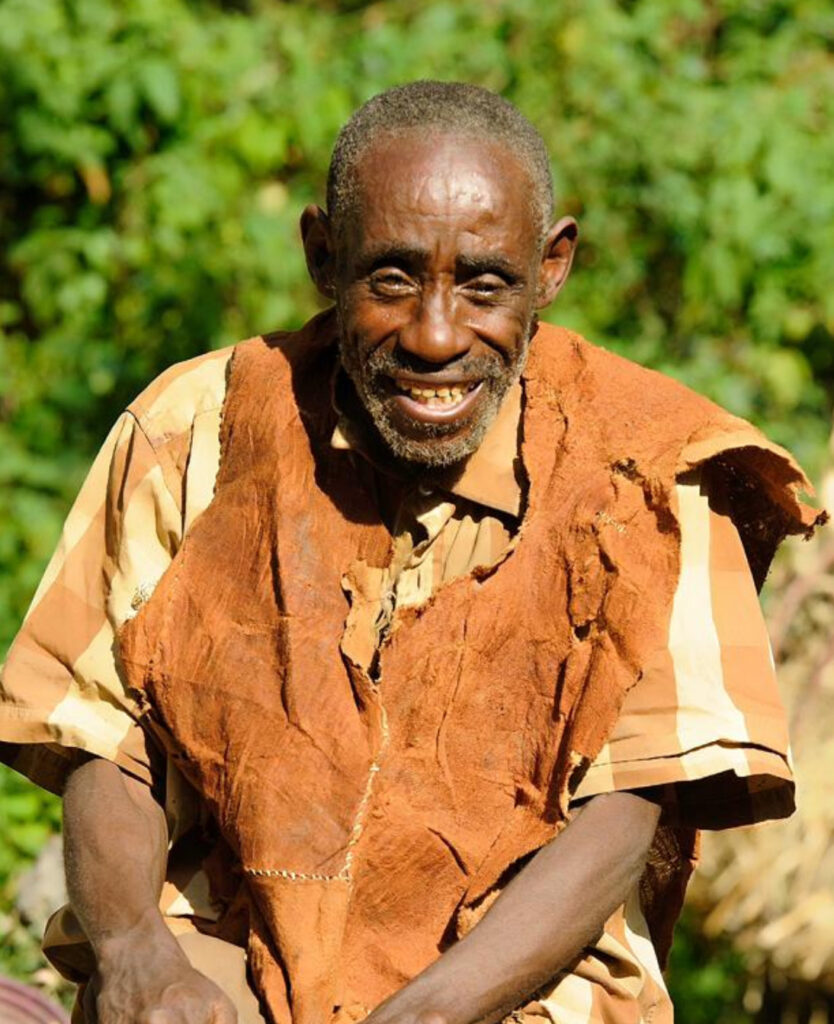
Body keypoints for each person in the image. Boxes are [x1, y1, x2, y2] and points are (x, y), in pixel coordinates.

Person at [0, 81, 824, 1024]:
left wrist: (427, 1015)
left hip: (520, 995)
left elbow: (625, 815)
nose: (436, 336)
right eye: (391, 279)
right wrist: (135, 953)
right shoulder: (192, 432)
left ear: (551, 267)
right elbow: (103, 737)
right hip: (228, 959)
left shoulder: (660, 477)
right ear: (323, 256)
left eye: (485, 284)